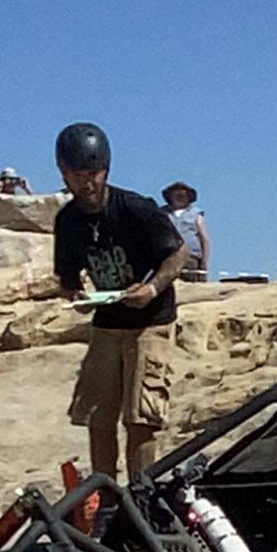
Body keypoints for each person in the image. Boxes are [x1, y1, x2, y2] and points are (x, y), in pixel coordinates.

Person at [52, 121, 188, 482]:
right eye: (78, 174)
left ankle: (142, 495)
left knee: (141, 417)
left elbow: (178, 254)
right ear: (63, 173)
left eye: (94, 173)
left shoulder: (135, 209)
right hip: (107, 323)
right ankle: (106, 496)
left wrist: (152, 288)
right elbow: (67, 279)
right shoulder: (67, 221)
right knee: (98, 416)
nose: (87, 182)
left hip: (150, 320)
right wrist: (76, 296)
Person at [161, 181, 208, 282]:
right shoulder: (162, 213)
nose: (179, 198)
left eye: (182, 195)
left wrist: (204, 261)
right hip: (167, 257)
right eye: (176, 195)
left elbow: (204, 238)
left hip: (190, 257)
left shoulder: (195, 214)